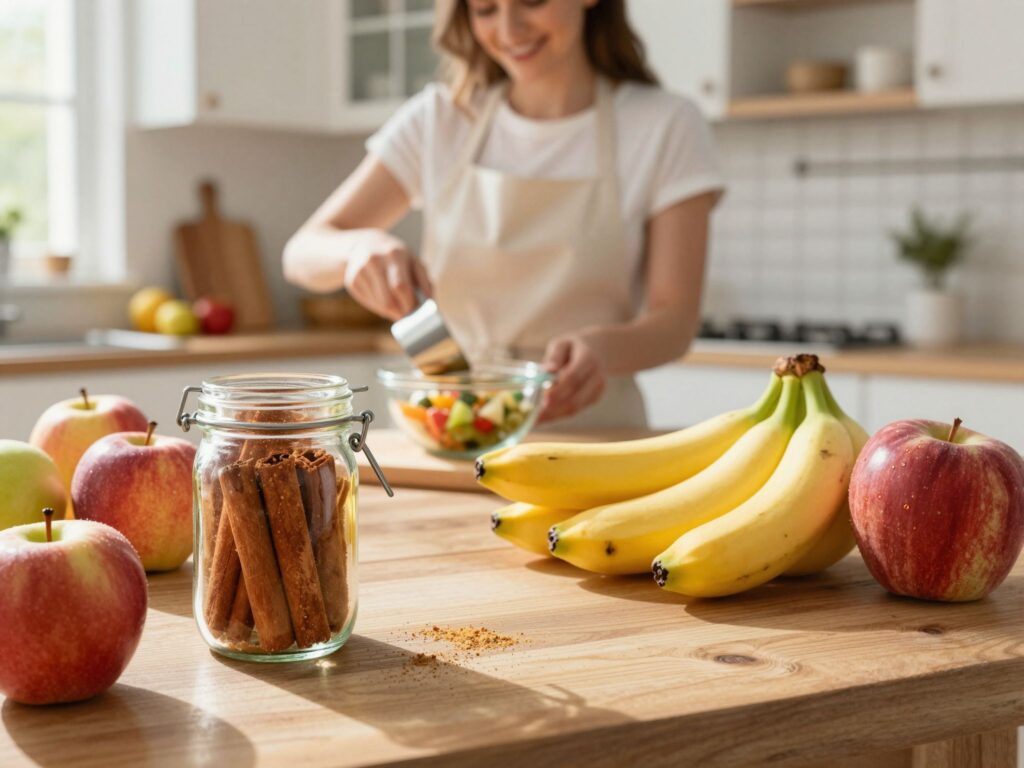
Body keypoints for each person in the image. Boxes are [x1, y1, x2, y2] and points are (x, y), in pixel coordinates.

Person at [284, 0, 724, 428]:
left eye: (531, 2)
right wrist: (358, 247)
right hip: (452, 424)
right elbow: (302, 253)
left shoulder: (665, 125)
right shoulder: (439, 119)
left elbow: (675, 322)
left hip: (596, 433)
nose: (509, 30)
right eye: (485, 9)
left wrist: (602, 349)